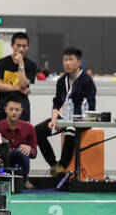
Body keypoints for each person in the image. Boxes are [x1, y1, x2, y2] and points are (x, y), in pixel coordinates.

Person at [35, 46, 95, 176]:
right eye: (65, 60)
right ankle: (55, 165)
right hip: (63, 118)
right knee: (37, 131)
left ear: (79, 62)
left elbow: (89, 107)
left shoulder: (87, 81)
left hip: (81, 119)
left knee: (70, 130)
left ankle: (63, 165)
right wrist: (53, 120)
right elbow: (57, 102)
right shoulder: (62, 81)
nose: (67, 63)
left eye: (70, 60)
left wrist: (66, 120)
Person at [0, 31, 38, 122]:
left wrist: (21, 63)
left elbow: (23, 84)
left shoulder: (31, 65)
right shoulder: (2, 62)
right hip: (3, 108)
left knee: (23, 135)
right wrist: (18, 88)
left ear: (27, 47)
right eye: (18, 45)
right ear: (12, 45)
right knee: (0, 135)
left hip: (22, 109)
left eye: (24, 46)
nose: (21, 49)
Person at [0, 98, 38, 188]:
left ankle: (25, 180)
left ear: (21, 110)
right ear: (5, 109)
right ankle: (3, 180)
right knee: (8, 151)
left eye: (17, 110)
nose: (14, 112)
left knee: (21, 151)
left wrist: (30, 149)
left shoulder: (29, 128)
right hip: (4, 159)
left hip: (21, 160)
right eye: (11, 109)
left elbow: (34, 153)